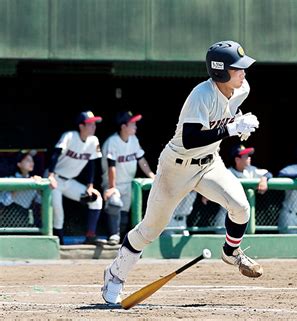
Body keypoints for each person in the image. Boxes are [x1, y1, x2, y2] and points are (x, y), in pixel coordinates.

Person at [102, 40, 262, 305]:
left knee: (241, 207)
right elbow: (190, 139)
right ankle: (115, 275)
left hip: (210, 163)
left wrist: (238, 123)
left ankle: (231, 252)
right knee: (150, 230)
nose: (244, 72)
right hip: (176, 167)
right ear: (221, 71)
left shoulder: (242, 88)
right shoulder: (201, 95)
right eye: (238, 67)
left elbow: (225, 115)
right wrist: (231, 129)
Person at [48, 111, 104, 246]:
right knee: (58, 212)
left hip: (69, 182)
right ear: (81, 126)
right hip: (55, 178)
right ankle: (59, 243)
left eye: (94, 124)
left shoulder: (93, 140)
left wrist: (90, 185)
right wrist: (50, 175)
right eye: (90, 124)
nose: (93, 126)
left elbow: (91, 164)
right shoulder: (69, 136)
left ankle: (90, 235)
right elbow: (55, 155)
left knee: (96, 200)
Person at [101, 111, 155, 245]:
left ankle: (121, 240)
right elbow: (111, 166)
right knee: (115, 203)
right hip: (113, 183)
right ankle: (113, 235)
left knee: (125, 212)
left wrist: (151, 175)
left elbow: (141, 159)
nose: (135, 126)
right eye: (132, 124)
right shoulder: (112, 142)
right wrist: (112, 187)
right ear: (123, 126)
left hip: (128, 183)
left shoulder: (134, 140)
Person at [213, 144, 273, 233]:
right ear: (237, 159)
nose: (249, 158)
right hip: (226, 217)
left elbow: (268, 173)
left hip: (243, 216)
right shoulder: (226, 172)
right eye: (245, 156)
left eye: (248, 155)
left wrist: (264, 179)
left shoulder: (251, 170)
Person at [0, 151, 42, 227]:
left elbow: (39, 201)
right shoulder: (10, 179)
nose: (31, 163)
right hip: (8, 217)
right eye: (27, 160)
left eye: (32, 160)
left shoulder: (34, 180)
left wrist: (38, 186)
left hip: (24, 217)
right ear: (19, 164)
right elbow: (4, 202)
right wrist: (20, 187)